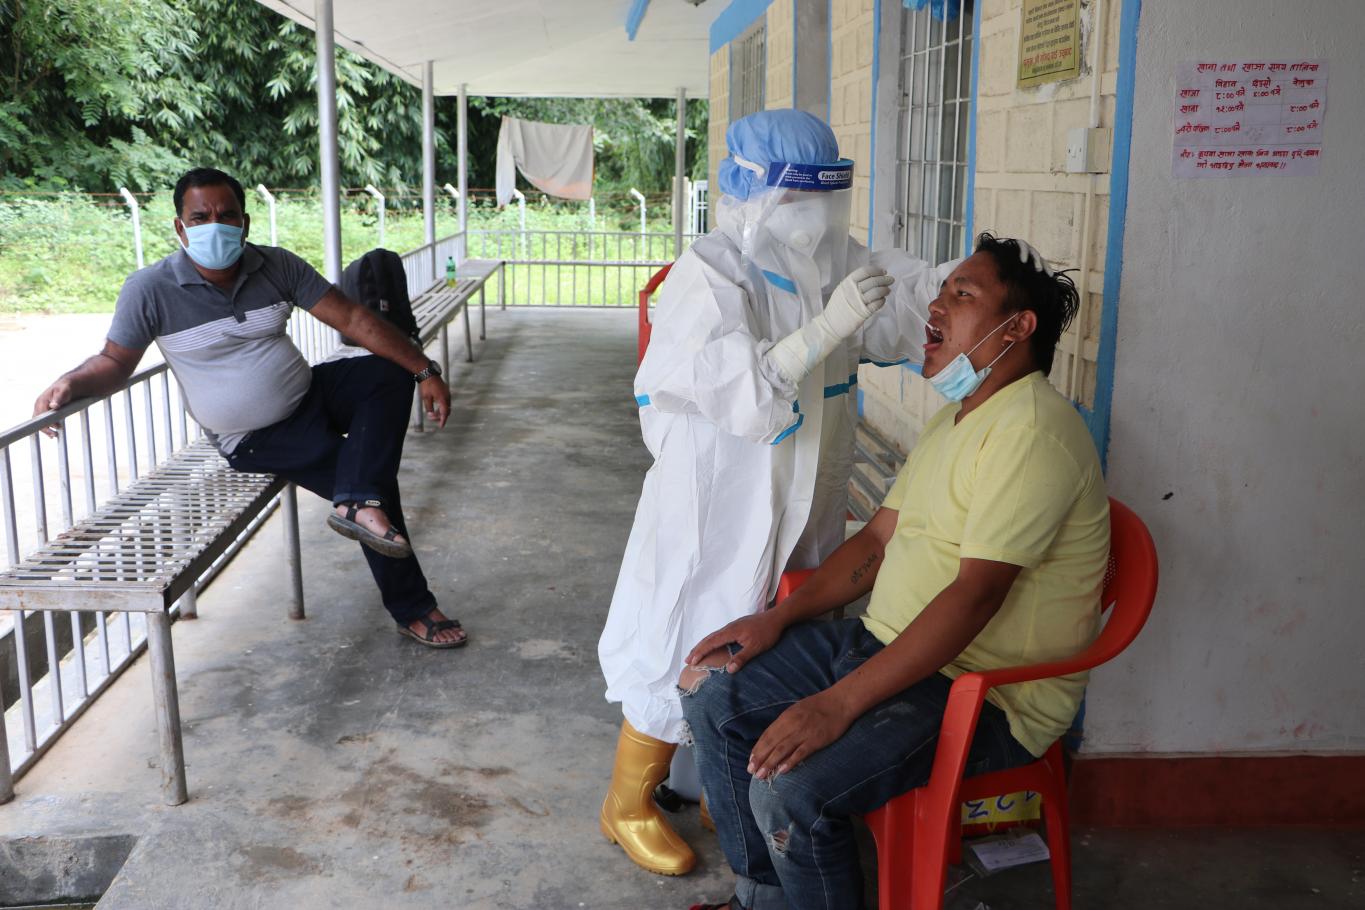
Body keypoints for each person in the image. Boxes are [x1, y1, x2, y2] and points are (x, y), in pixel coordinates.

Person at [677, 233, 1110, 910]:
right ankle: (763, 898)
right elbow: (877, 543)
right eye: (941, 291)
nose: (935, 306)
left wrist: (837, 703)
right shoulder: (958, 419)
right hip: (887, 644)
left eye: (962, 294)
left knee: (789, 786)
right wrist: (777, 619)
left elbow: (974, 598)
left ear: (1017, 328)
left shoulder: (1030, 433)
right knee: (710, 687)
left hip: (982, 695)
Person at [597, 109, 962, 876]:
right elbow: (725, 385)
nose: (813, 216)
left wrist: (958, 282)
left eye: (826, 198)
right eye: (797, 198)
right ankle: (627, 803)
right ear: (754, 194)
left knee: (779, 636)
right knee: (691, 628)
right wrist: (823, 331)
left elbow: (901, 306)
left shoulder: (833, 259)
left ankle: (720, 788)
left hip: (806, 491)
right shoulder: (712, 271)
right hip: (719, 495)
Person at [31, 167, 467, 648]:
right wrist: (71, 381)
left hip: (310, 395)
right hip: (256, 437)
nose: (214, 225)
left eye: (226, 215)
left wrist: (425, 369)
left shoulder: (275, 265)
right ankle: (413, 606)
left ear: (244, 222)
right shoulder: (150, 289)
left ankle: (359, 502)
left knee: (388, 374)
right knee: (373, 488)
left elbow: (351, 317)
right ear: (180, 226)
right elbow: (115, 362)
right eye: (200, 217)